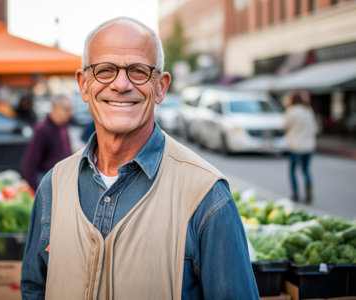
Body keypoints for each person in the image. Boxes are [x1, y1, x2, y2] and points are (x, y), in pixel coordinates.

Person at [21, 17, 259, 299]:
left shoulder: (207, 197)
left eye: (138, 71)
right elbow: (35, 289)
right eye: (105, 70)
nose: (121, 84)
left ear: (160, 87)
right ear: (84, 85)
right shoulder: (53, 186)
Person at [20, 94, 73, 191]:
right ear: (55, 108)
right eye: (67, 109)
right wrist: (38, 191)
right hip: (49, 183)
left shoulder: (63, 126)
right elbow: (29, 165)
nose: (71, 113)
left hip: (63, 181)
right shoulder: (43, 129)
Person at [282, 91, 318, 203]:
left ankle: (295, 194)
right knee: (306, 169)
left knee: (293, 170)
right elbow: (315, 129)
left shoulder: (291, 111)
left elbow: (283, 126)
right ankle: (308, 187)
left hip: (296, 146)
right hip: (309, 146)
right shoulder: (308, 110)